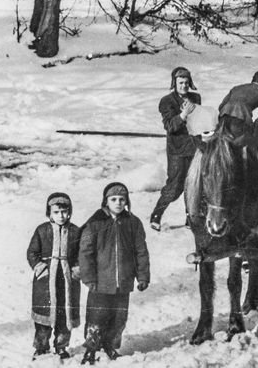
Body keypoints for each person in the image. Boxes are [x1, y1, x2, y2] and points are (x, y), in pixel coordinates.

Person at [80, 182, 150, 364]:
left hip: (124, 282)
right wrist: (88, 278)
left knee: (119, 318)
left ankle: (110, 346)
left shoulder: (133, 223)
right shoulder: (96, 223)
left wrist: (143, 276)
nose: (118, 203)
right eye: (113, 199)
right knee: (97, 318)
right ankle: (91, 350)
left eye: (122, 199)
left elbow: (141, 251)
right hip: (100, 282)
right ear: (106, 201)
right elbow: (85, 252)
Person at [26, 192, 81, 361]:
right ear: (49, 213)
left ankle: (62, 346)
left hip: (67, 278)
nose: (61, 215)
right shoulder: (42, 230)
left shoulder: (75, 231)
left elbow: (82, 253)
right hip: (46, 279)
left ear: (69, 211)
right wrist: (39, 267)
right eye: (56, 212)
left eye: (64, 211)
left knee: (65, 315)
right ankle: (41, 347)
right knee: (44, 316)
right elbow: (32, 252)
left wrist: (77, 269)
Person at [150, 67, 201, 231]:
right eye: (181, 83)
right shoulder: (167, 101)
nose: (184, 86)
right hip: (177, 150)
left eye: (186, 82)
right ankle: (156, 215)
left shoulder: (196, 98)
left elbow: (200, 121)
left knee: (193, 184)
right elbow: (170, 126)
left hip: (193, 148)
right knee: (175, 185)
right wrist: (184, 114)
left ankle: (190, 218)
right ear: (174, 83)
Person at [218, 70, 258, 142]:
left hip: (223, 117)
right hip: (241, 119)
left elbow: (221, 106)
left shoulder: (236, 88)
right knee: (248, 143)